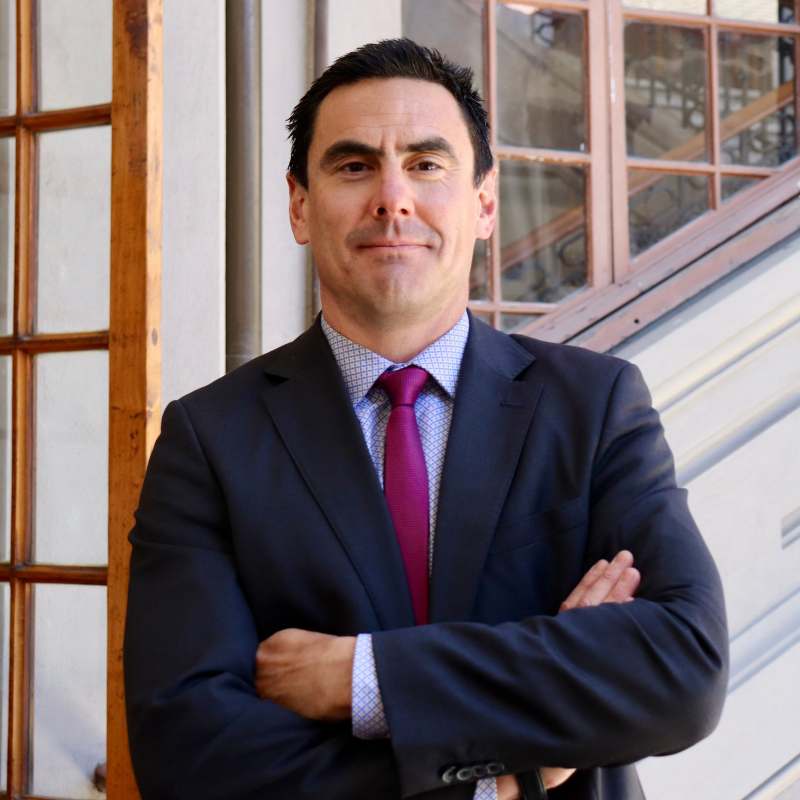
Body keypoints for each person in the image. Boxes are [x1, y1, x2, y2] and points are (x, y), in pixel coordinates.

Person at [124, 39, 728, 800]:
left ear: (484, 203)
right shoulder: (210, 439)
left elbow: (683, 667)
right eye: (354, 166)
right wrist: (501, 782)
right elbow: (188, 752)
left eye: (426, 164)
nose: (392, 198)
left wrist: (365, 677)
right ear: (300, 206)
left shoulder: (594, 405)